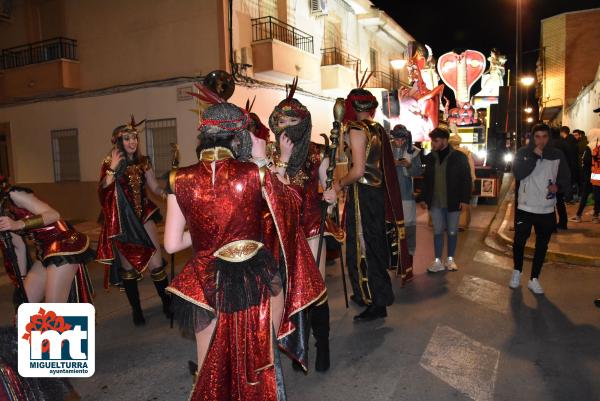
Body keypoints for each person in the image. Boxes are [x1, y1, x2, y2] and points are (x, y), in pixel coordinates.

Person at [164, 96, 325, 400]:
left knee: (209, 374)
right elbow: (290, 209)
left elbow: (172, 244)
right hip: (257, 280)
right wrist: (269, 162)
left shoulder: (178, 178)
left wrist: (205, 237)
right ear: (239, 136)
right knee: (261, 364)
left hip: (203, 283)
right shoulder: (255, 173)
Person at [268, 80, 341, 371]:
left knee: (315, 289)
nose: (285, 125)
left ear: (302, 122)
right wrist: (281, 162)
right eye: (280, 120)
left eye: (291, 120)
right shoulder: (271, 155)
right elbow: (271, 189)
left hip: (311, 226)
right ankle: (298, 345)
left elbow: (330, 187)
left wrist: (333, 196)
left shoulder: (316, 153)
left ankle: (321, 343)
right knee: (286, 290)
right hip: (282, 230)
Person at [333, 84, 410, 321]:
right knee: (369, 245)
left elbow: (357, 171)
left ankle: (377, 302)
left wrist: (339, 184)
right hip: (373, 194)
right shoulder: (376, 128)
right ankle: (365, 293)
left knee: (364, 247)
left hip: (363, 195)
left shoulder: (357, 129)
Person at [96, 116, 170, 326]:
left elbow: (154, 187)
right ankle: (137, 310)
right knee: (128, 268)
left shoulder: (144, 162)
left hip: (144, 215)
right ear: (119, 142)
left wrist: (168, 194)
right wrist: (113, 167)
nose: (132, 142)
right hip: (122, 221)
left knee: (156, 264)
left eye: (134, 138)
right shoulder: (109, 163)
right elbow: (103, 190)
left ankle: (167, 303)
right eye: (127, 138)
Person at [0, 176, 94, 305]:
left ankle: (66, 323)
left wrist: (19, 224)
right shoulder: (2, 209)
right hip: (44, 251)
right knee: (24, 306)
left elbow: (53, 215)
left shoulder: (14, 195)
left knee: (53, 309)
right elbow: (19, 247)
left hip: (62, 245)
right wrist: (20, 281)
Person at [510, 123, 571, 294]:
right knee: (519, 242)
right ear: (532, 137)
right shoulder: (523, 153)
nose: (541, 141)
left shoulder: (557, 155)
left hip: (546, 209)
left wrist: (558, 187)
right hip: (525, 206)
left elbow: (566, 177)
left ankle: (534, 278)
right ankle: (517, 270)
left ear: (549, 137)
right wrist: (534, 156)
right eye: (537, 137)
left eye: (544, 137)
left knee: (542, 245)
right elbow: (519, 174)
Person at [417, 126, 472, 273]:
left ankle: (450, 259)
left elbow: (466, 180)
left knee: (453, 231)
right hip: (435, 203)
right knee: (438, 232)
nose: (433, 144)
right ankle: (437, 261)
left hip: (453, 201)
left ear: (445, 140)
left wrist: (465, 199)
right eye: (432, 141)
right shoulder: (429, 158)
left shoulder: (459, 157)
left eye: (436, 140)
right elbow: (426, 180)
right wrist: (422, 197)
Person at [390, 124, 423, 259]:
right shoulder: (385, 149)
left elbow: (418, 171)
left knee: (408, 225)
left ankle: (409, 253)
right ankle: (392, 255)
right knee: (391, 225)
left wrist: (409, 165)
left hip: (406, 193)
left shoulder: (413, 151)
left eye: (403, 140)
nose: (400, 142)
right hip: (389, 193)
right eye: (397, 139)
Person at [569, 129, 600, 223]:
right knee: (598, 194)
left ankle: (578, 215)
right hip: (598, 173)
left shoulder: (590, 146)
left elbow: (586, 161)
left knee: (585, 194)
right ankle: (596, 216)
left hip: (591, 174)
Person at [449, 133, 476, 230]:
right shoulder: (466, 152)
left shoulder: (447, 152)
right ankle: (462, 224)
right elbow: (471, 169)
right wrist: (472, 181)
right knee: (464, 202)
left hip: (451, 183)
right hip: (464, 182)